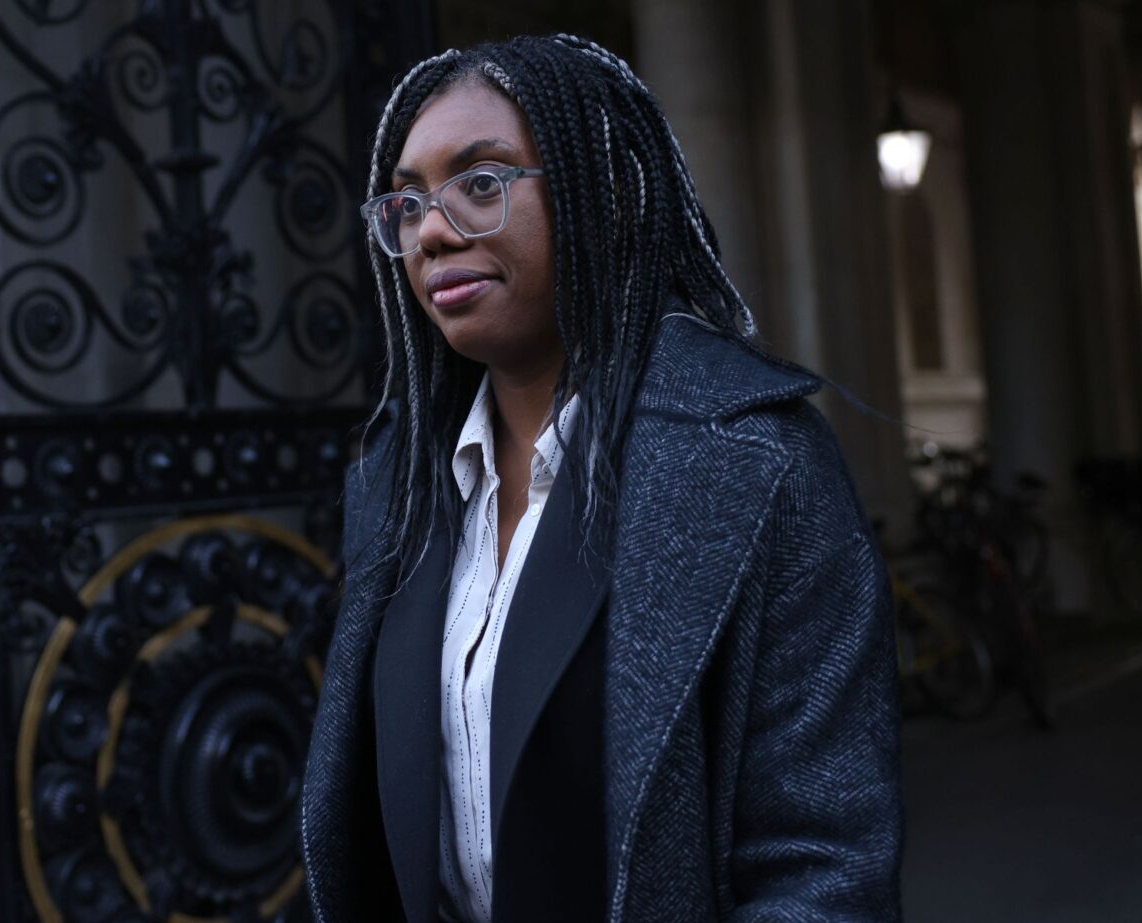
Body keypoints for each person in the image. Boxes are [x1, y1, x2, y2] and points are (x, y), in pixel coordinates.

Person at [300, 34, 902, 923]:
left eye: (482, 182)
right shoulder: (398, 485)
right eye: (409, 200)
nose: (431, 229)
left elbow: (824, 864)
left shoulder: (757, 463)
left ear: (604, 195)